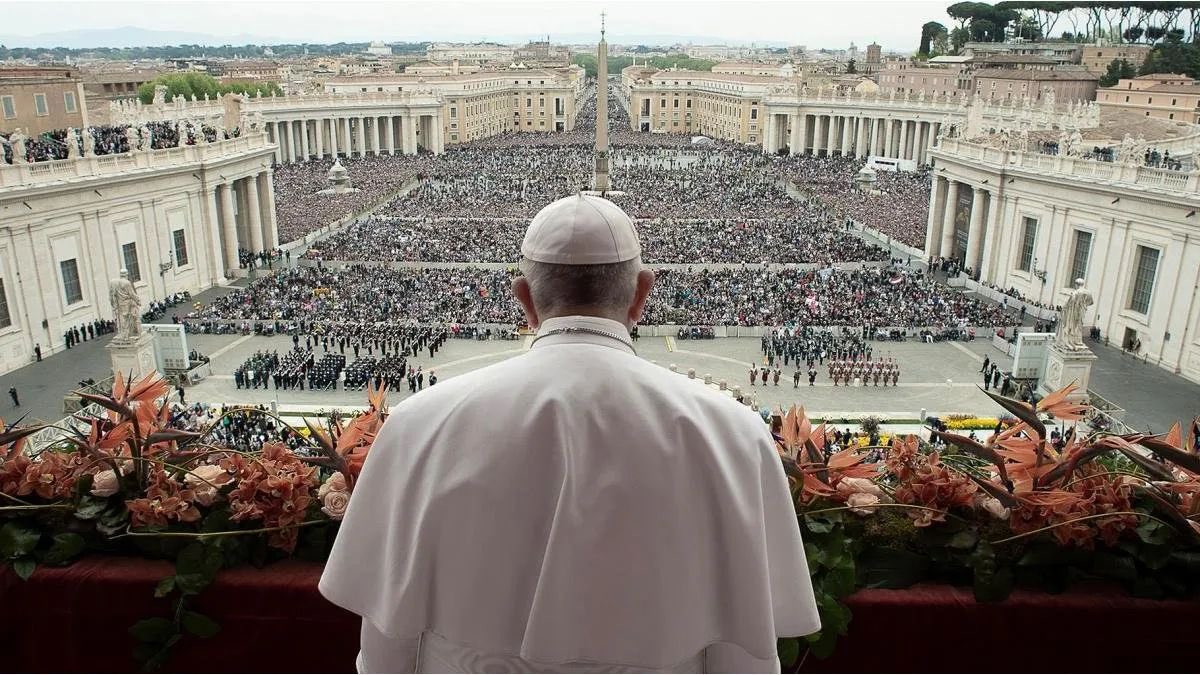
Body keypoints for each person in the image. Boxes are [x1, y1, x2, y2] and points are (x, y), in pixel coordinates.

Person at [320, 194, 819, 673]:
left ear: (524, 298)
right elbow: (745, 645)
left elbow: (386, 634)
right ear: (642, 293)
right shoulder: (733, 433)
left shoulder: (419, 424)